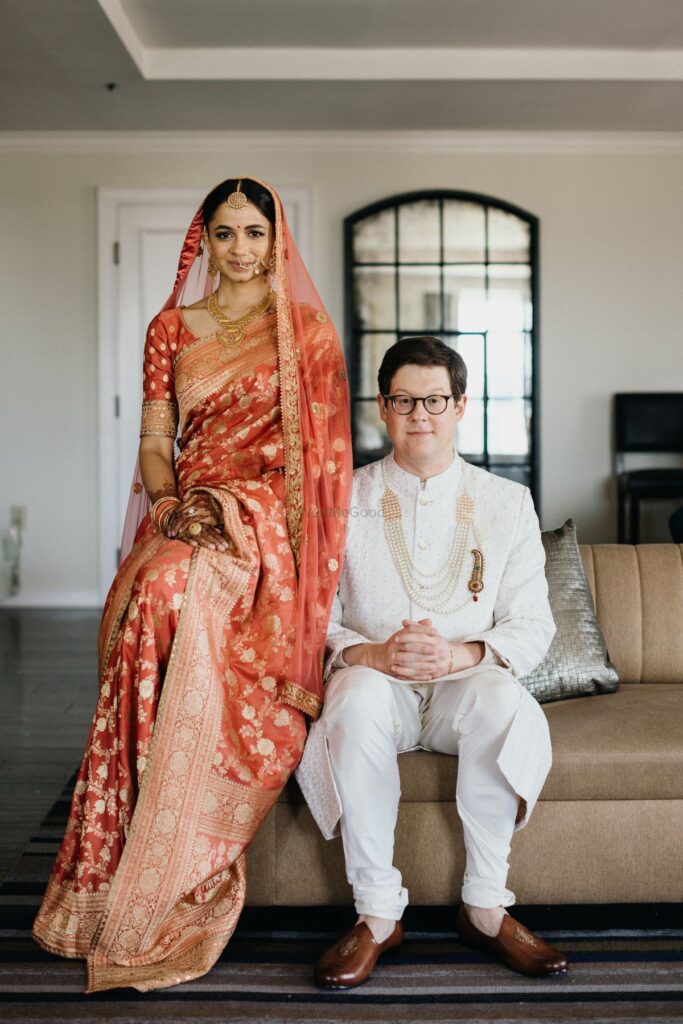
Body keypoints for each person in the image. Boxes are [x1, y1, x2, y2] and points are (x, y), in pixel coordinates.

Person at [32, 177, 352, 993]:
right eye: (224, 233)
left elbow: (321, 459)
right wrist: (173, 504)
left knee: (179, 597)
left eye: (254, 232)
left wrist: (245, 514)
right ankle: (134, 820)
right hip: (188, 509)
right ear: (201, 242)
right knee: (150, 594)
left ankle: (187, 839)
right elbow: (154, 438)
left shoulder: (306, 331)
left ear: (275, 240)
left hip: (268, 525)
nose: (240, 248)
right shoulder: (171, 328)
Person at [296, 336, 568, 988]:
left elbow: (532, 625)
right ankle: (377, 915)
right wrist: (369, 652)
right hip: (373, 680)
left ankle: (483, 907)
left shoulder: (507, 502)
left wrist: (462, 651)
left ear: (459, 405)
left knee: (506, 701)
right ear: (382, 410)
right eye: (404, 400)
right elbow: (308, 618)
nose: (420, 414)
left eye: (434, 400)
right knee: (355, 699)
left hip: (463, 684)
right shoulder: (339, 500)